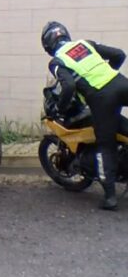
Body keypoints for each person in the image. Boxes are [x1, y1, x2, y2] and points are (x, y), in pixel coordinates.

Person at [42, 21, 128, 210]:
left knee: (105, 145)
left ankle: (110, 197)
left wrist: (60, 108)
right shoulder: (85, 44)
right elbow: (119, 55)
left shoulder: (57, 61)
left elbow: (68, 87)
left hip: (101, 97)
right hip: (121, 83)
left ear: (48, 45)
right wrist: (108, 74)